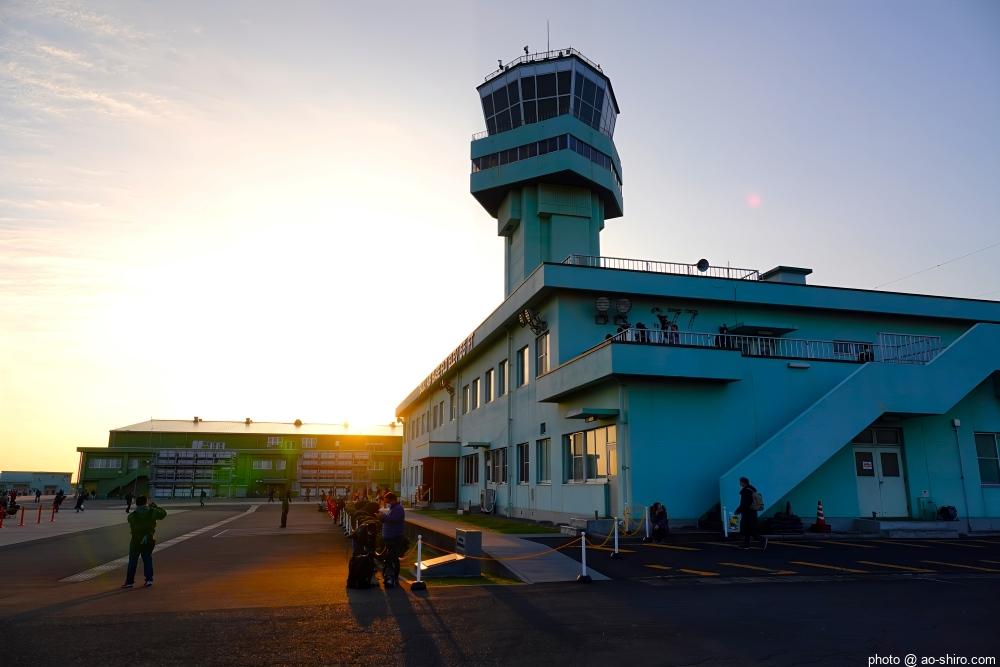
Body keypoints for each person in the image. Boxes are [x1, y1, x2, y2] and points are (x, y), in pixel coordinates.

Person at [122, 496, 167, 588]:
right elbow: (163, 514)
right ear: (146, 502)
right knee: (147, 559)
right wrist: (155, 507)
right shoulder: (152, 512)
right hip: (148, 539)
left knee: (133, 560)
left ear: (137, 504)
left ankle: (129, 581)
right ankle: (149, 579)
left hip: (135, 540)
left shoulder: (132, 516)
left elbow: (130, 521)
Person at [378, 492, 406, 588]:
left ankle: (393, 577)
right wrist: (382, 517)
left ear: (391, 499)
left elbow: (393, 519)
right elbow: (389, 519)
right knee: (391, 557)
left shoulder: (398, 509)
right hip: (390, 537)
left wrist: (383, 516)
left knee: (392, 557)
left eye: (386, 499)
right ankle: (390, 577)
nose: (385, 501)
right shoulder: (392, 508)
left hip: (395, 537)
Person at [734, 476, 767, 550]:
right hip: (752, 512)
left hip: (747, 513)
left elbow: (744, 503)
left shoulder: (746, 491)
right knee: (748, 529)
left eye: (740, 482)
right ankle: (746, 544)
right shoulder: (752, 489)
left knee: (750, 530)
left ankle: (762, 540)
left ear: (743, 483)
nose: (739, 483)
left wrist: (738, 511)